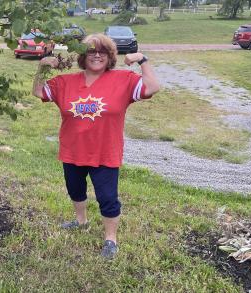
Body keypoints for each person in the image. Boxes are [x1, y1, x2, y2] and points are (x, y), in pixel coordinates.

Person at [32, 33, 160, 259]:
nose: (97, 55)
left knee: (108, 197)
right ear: (83, 56)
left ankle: (111, 239)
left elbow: (152, 87)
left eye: (102, 51)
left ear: (110, 56)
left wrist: (142, 59)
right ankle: (81, 221)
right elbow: (39, 91)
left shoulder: (124, 80)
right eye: (91, 51)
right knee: (75, 189)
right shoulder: (65, 82)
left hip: (105, 152)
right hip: (73, 150)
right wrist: (42, 68)